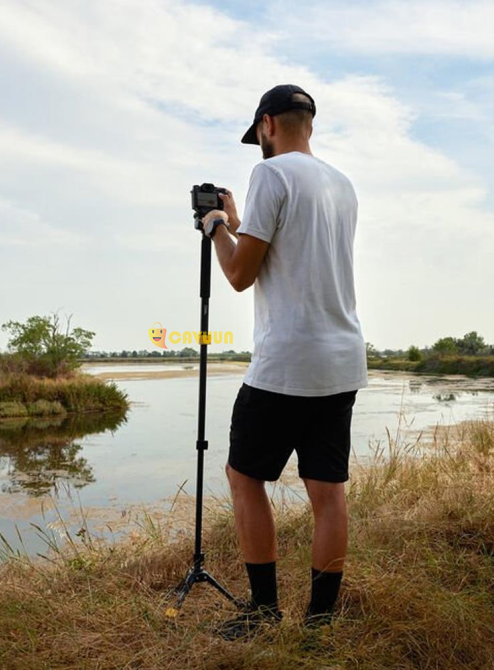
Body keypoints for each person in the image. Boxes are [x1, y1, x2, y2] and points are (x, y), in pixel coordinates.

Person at [200, 84, 369, 641]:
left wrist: (216, 227)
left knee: (243, 476)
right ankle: (318, 624)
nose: (260, 148)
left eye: (259, 137)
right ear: (310, 125)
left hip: (286, 363)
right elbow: (291, 251)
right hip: (341, 360)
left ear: (268, 125)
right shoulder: (342, 186)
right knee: (328, 491)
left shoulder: (270, 175)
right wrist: (241, 220)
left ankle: (263, 610)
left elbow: (240, 273)